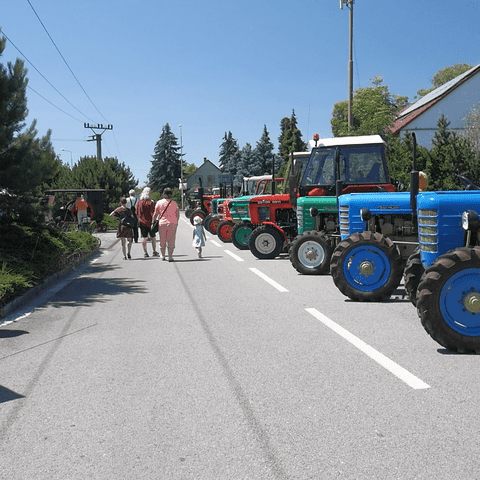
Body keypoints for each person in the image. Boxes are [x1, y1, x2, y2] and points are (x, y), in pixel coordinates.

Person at [153, 187, 179, 262]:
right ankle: (170, 256)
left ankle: (163, 255)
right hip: (172, 223)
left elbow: (155, 214)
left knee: (162, 239)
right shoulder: (174, 203)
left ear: (164, 194)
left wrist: (153, 222)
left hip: (162, 223)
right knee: (171, 240)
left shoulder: (159, 202)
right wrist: (176, 222)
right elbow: (177, 215)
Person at [136, 187, 160, 258]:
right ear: (149, 193)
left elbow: (137, 213)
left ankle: (145, 252)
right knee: (153, 237)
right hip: (150, 222)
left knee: (144, 237)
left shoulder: (139, 202)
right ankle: (154, 251)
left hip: (142, 222)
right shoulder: (151, 202)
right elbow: (153, 212)